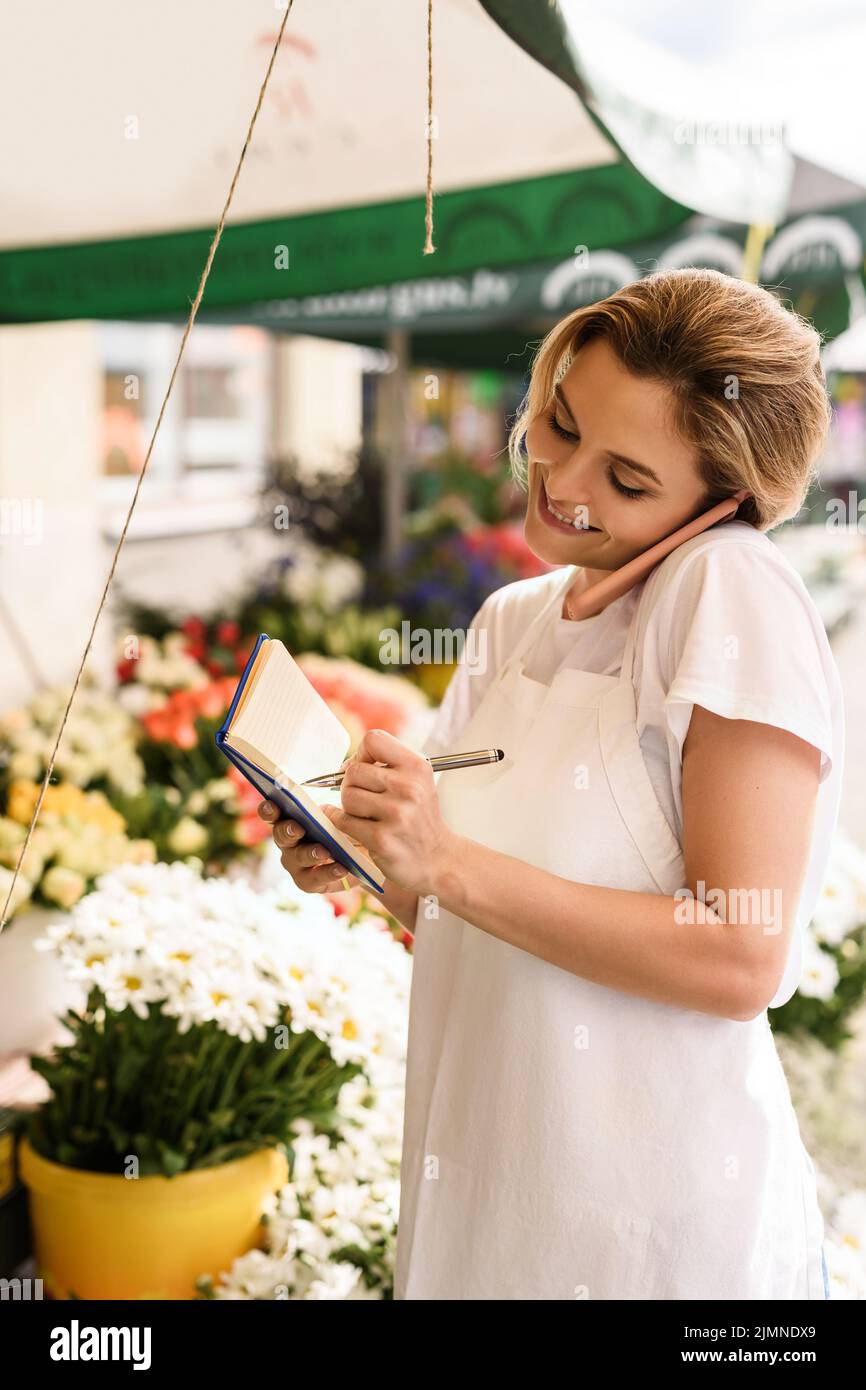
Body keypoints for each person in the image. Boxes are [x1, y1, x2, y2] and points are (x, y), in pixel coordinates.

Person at [258, 268, 844, 1300]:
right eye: (559, 424)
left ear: (723, 503)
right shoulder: (514, 620)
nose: (563, 482)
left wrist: (444, 861)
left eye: (626, 481)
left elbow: (740, 953)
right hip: (494, 1172)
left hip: (644, 1220)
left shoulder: (727, 587)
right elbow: (462, 894)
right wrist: (364, 857)